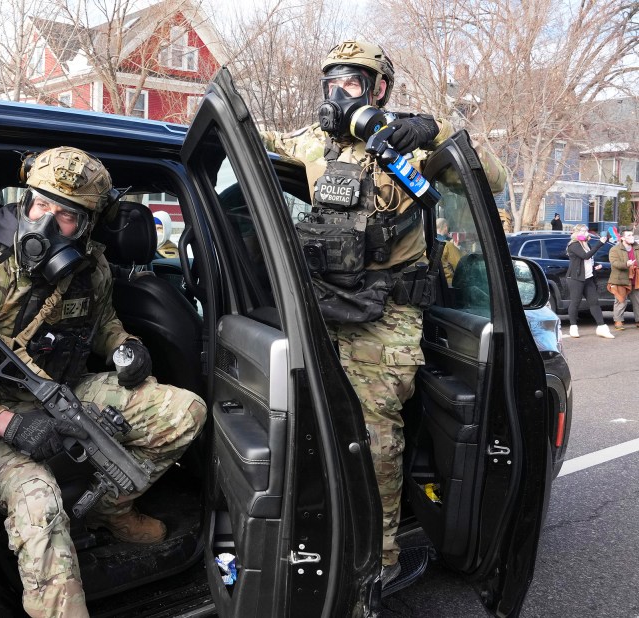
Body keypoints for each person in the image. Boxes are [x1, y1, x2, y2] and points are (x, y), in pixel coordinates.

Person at [261, 39, 507, 586]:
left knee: (375, 439)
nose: (338, 93)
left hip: (387, 316)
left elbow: (490, 180)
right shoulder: (312, 144)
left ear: (379, 90)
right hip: (323, 310)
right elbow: (249, 143)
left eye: (350, 83)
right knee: (311, 428)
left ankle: (379, 560)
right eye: (331, 83)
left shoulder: (408, 148)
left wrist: (434, 129)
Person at [0, 146, 206, 618]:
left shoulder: (93, 267)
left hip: (65, 390)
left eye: (66, 214)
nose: (46, 222)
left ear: (89, 222)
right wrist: (6, 423)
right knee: (39, 502)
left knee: (183, 411)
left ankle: (111, 510)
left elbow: (104, 320)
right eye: (40, 204)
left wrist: (123, 348)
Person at [566, 223, 613, 339]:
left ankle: (601, 327)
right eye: (583, 231)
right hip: (576, 278)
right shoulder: (574, 245)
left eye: (586, 231)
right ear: (577, 233)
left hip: (588, 277)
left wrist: (596, 265)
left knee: (594, 302)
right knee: (575, 302)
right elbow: (585, 256)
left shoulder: (586, 244)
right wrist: (600, 244)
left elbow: (589, 260)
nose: (586, 233)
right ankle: (573, 327)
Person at [608, 226, 639, 330]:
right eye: (628, 235)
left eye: (632, 235)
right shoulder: (615, 249)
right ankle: (618, 321)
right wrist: (626, 264)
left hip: (635, 278)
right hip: (621, 279)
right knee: (620, 301)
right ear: (622, 238)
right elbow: (614, 263)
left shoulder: (637, 247)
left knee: (637, 301)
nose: (631, 237)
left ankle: (638, 320)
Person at [436, 217, 462, 285]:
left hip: (436, 283)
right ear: (446, 227)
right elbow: (460, 265)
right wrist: (457, 248)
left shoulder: (428, 242)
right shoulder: (447, 245)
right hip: (448, 284)